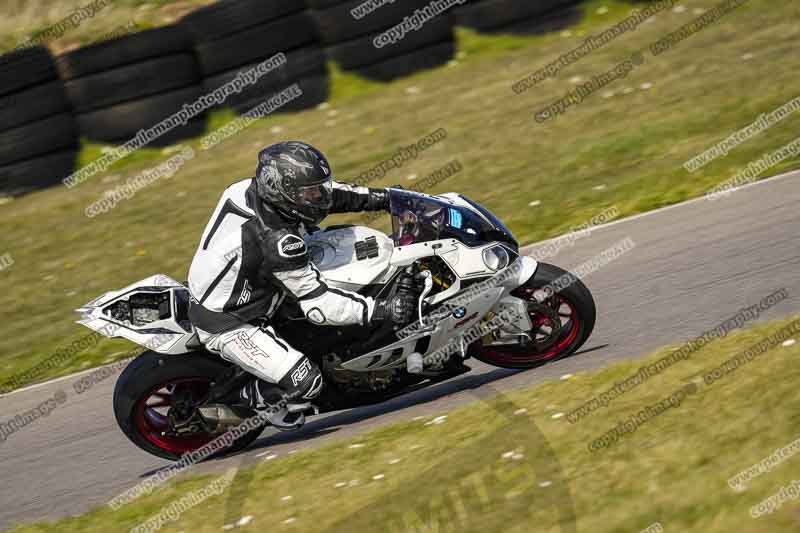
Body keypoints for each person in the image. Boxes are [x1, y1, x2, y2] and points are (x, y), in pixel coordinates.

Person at [187, 141, 416, 430]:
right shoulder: (279, 242)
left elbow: (334, 196)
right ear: (281, 191)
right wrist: (380, 309)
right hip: (231, 321)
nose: (318, 197)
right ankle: (253, 400)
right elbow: (320, 306)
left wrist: (387, 198)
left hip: (238, 281)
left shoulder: (247, 188)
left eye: (318, 188)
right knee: (307, 382)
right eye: (310, 192)